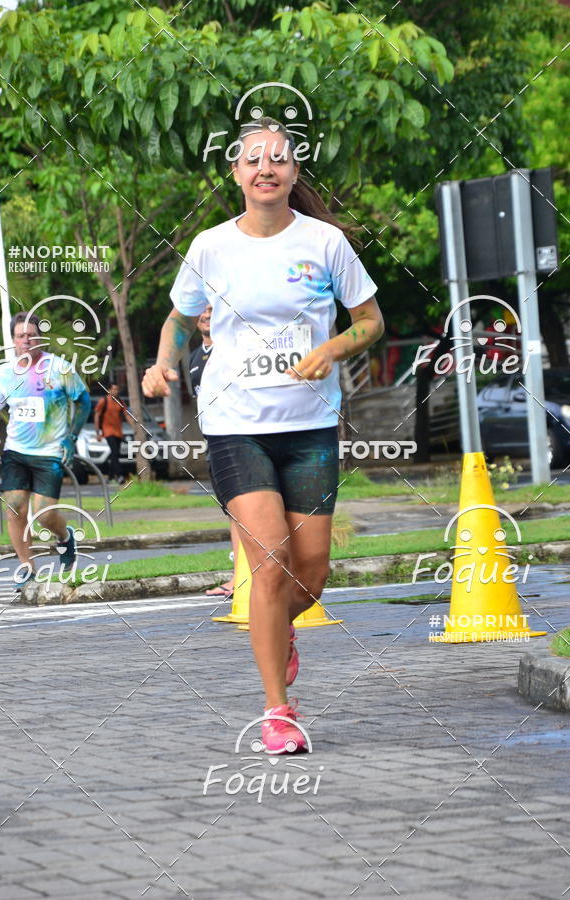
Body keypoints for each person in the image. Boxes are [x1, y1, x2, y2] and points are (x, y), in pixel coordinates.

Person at [142, 117, 384, 753]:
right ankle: (278, 711)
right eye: (253, 160)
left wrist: (332, 347)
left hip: (308, 427)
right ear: (237, 173)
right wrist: (164, 360)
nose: (265, 168)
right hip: (234, 426)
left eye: (278, 158)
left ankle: (281, 631)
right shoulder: (210, 246)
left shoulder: (326, 243)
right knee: (271, 562)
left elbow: (369, 322)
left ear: (294, 172)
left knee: (310, 574)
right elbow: (177, 318)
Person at [0, 312, 91, 589]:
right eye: (21, 336)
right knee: (15, 508)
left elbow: (83, 401)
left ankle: (65, 537)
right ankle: (27, 567)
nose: (27, 340)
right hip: (16, 452)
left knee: (44, 516)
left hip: (50, 453)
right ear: (14, 340)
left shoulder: (60, 368)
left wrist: (71, 437)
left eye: (32, 335)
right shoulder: (5, 373)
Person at [189, 305, 238, 598]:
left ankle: (244, 577)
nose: (206, 316)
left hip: (238, 435)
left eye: (211, 310)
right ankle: (240, 575)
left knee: (242, 509)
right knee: (231, 510)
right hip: (214, 438)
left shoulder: (231, 348)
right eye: (201, 312)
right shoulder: (195, 358)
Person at [94, 383, 130, 484]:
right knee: (114, 452)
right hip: (108, 431)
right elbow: (97, 416)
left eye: (118, 390)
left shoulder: (120, 402)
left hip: (118, 432)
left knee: (115, 454)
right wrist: (97, 432)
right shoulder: (103, 401)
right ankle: (120, 476)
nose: (116, 392)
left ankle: (110, 477)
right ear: (109, 390)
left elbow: (126, 415)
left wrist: (135, 426)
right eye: (114, 389)